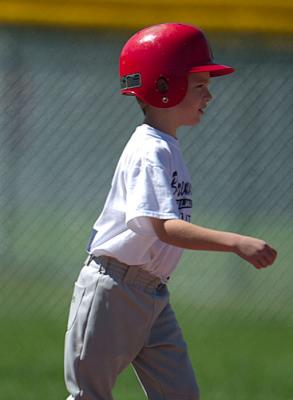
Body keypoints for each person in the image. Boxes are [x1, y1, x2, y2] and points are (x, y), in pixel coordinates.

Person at [64, 23, 277, 400]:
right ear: (164, 87)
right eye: (199, 85)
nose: (208, 95)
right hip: (114, 291)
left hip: (152, 295)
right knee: (89, 395)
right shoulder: (150, 151)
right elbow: (165, 227)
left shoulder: (167, 146)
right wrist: (236, 242)